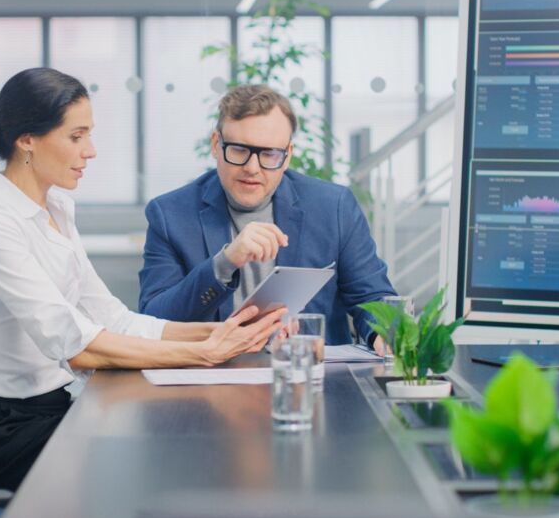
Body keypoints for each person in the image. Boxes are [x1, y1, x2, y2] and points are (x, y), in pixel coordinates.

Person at [0, 68, 283, 491]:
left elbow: (115, 320)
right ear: (26, 139)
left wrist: (223, 332)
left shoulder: (58, 210)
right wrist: (205, 355)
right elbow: (73, 343)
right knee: (157, 451)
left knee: (178, 434)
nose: (91, 151)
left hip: (55, 411)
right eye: (76, 136)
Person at [138, 84, 396, 350]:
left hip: (311, 375)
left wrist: (385, 338)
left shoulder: (334, 207)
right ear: (216, 145)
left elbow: (373, 296)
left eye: (269, 154)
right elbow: (153, 321)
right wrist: (224, 264)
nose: (252, 168)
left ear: (287, 156)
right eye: (239, 150)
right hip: (212, 378)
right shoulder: (170, 214)